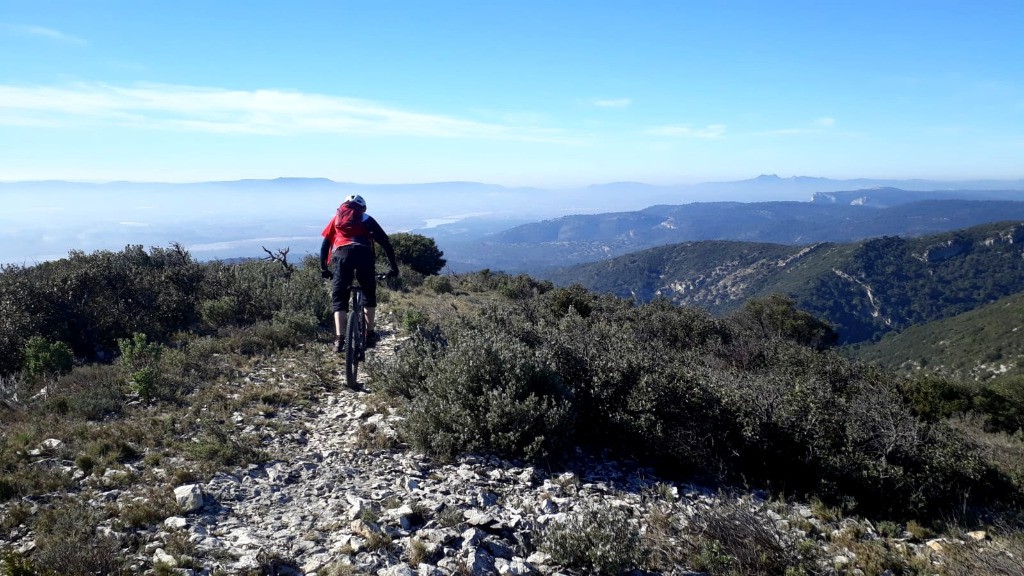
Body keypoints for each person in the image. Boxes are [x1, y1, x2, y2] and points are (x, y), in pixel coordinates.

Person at [320, 194, 399, 353]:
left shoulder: (336, 219)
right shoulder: (366, 218)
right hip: (364, 255)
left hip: (342, 256)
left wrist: (324, 269)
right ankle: (370, 334)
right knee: (369, 294)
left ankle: (339, 339)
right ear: (363, 208)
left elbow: (325, 245)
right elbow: (386, 244)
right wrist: (393, 267)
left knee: (339, 298)